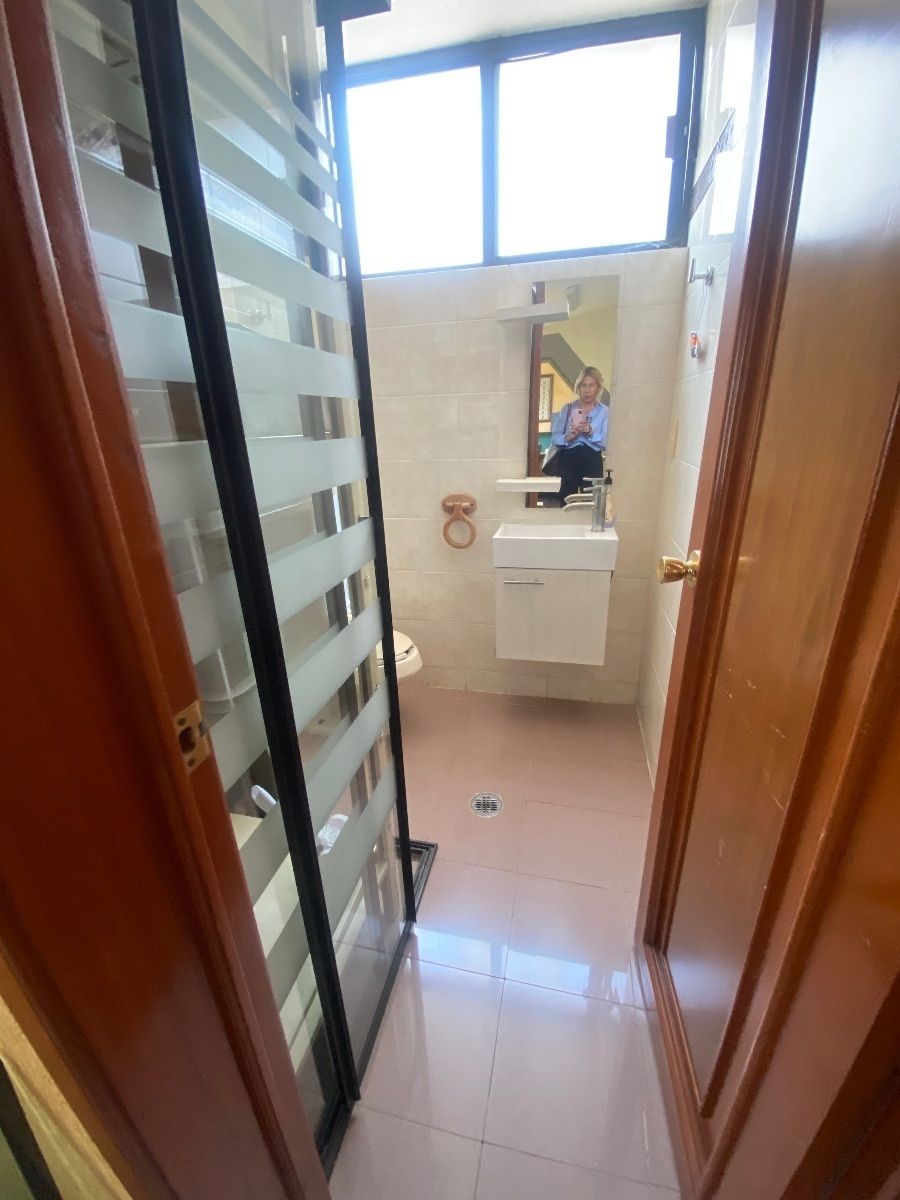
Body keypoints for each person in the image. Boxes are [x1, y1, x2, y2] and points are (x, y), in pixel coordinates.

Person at [549, 366, 609, 504]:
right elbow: (555, 437)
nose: (587, 390)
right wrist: (568, 437)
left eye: (591, 385)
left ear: (598, 388)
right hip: (568, 459)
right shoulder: (568, 408)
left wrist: (591, 432)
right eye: (583, 385)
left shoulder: (604, 411)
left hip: (592, 459)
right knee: (566, 501)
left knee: (592, 502)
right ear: (579, 387)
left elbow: (607, 443)